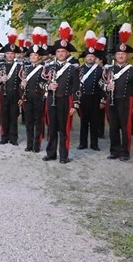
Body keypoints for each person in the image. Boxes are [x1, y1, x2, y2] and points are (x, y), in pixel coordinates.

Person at [42, 23, 80, 163]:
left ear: (67, 53)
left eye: (63, 52)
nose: (61, 54)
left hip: (65, 100)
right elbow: (41, 83)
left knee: (64, 130)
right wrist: (48, 87)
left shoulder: (73, 69)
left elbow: (76, 88)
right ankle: (51, 153)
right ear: (55, 53)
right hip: (52, 99)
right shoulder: (49, 67)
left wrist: (75, 105)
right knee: (51, 128)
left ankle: (64, 156)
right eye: (58, 52)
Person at [104, 24, 133, 162]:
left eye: (123, 54)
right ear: (115, 55)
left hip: (126, 100)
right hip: (112, 100)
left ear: (127, 56)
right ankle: (114, 151)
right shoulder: (110, 69)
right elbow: (102, 84)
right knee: (113, 126)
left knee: (126, 127)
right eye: (118, 54)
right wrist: (107, 86)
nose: (120, 56)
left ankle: (125, 152)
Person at [20, 29, 49, 152]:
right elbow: (22, 84)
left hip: (38, 97)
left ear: (39, 57)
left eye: (35, 55)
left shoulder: (44, 68)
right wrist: (22, 84)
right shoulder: (25, 68)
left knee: (38, 121)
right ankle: (29, 144)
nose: (33, 57)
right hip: (28, 98)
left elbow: (47, 83)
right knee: (28, 121)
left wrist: (42, 86)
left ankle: (37, 145)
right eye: (31, 55)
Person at [78, 31, 105, 151]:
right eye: (88, 56)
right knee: (83, 122)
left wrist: (103, 100)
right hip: (83, 98)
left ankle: (94, 144)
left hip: (95, 98)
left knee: (95, 122)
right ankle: (82, 143)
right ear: (85, 58)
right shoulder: (80, 69)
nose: (90, 58)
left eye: (92, 56)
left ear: (95, 58)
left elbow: (104, 86)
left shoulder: (100, 70)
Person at [0, 32, 23, 146]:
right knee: (4, 116)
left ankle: (13, 137)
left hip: (15, 94)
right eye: (8, 53)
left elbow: (22, 82)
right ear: (5, 54)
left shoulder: (19, 66)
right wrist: (0, 80)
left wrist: (22, 97)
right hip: (3, 93)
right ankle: (4, 136)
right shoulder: (0, 65)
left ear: (14, 54)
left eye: (12, 53)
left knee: (14, 116)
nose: (10, 55)